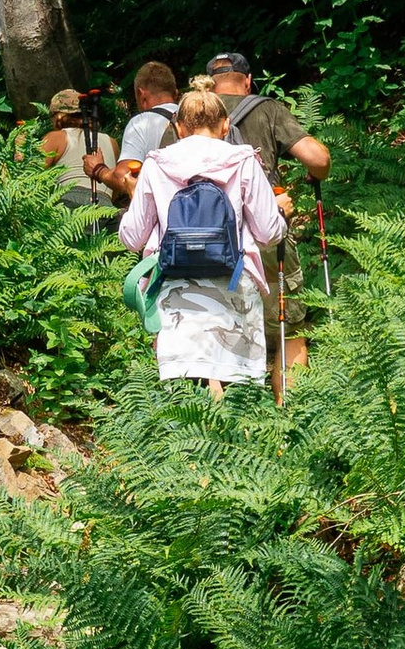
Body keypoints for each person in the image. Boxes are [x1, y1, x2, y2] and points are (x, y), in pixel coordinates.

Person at [120, 85, 283, 400]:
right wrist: (281, 216)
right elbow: (267, 232)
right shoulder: (243, 160)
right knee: (239, 395)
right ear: (225, 126)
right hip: (234, 285)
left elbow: (132, 237)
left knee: (186, 394)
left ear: (179, 128)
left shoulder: (157, 163)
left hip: (175, 292)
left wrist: (132, 197)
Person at [203, 50, 331, 405]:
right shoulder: (266, 109)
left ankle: (217, 434)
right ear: (247, 80)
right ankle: (289, 423)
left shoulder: (189, 117)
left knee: (213, 333)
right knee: (289, 330)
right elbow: (318, 159)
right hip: (265, 234)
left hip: (207, 241)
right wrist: (315, 174)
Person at [38, 83, 118, 219]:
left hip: (69, 202)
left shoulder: (57, 137)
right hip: (106, 207)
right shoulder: (111, 142)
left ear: (57, 117)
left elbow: (31, 174)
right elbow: (115, 186)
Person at [107, 61, 181, 202]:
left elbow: (123, 177)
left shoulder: (141, 122)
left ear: (142, 94)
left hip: (164, 213)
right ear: (175, 94)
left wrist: (100, 171)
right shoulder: (195, 117)